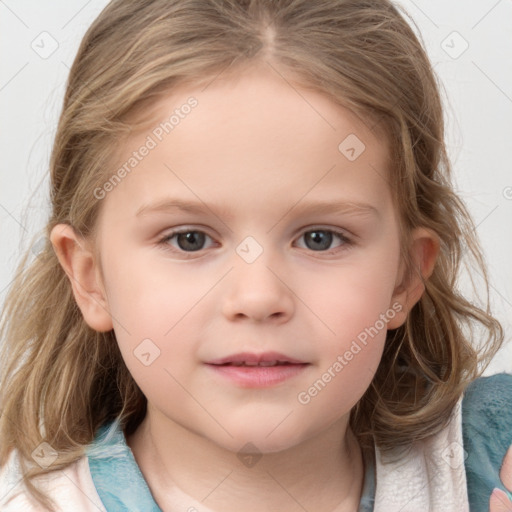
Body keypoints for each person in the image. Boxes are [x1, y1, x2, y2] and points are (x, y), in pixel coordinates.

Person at [0, 0, 510, 510]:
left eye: (320, 238)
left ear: (404, 277)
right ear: (91, 279)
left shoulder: (489, 468)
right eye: (189, 239)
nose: (259, 297)